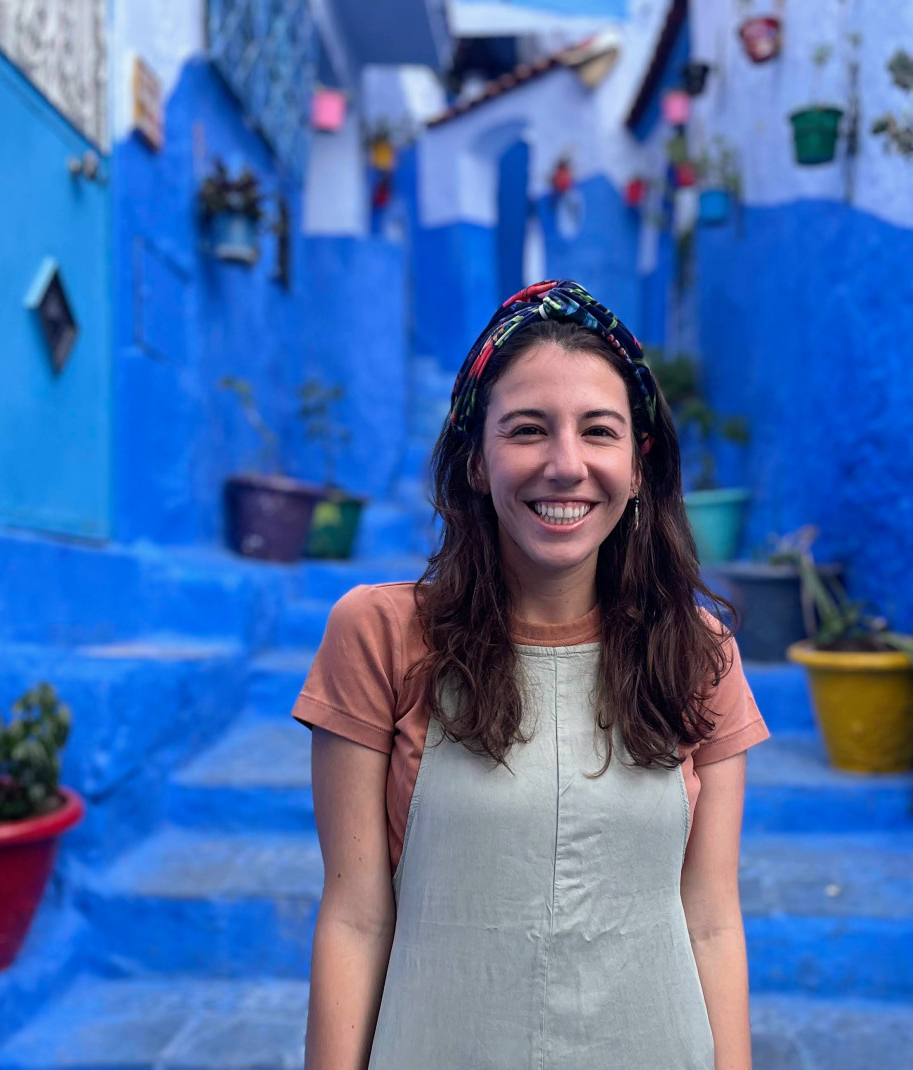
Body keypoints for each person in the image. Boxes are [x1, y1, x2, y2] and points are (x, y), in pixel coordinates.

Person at [292, 280, 768, 1070]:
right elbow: (354, 918)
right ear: (476, 462)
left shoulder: (699, 654)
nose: (566, 465)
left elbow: (713, 921)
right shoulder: (379, 636)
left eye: (599, 431)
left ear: (639, 464)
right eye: (526, 430)